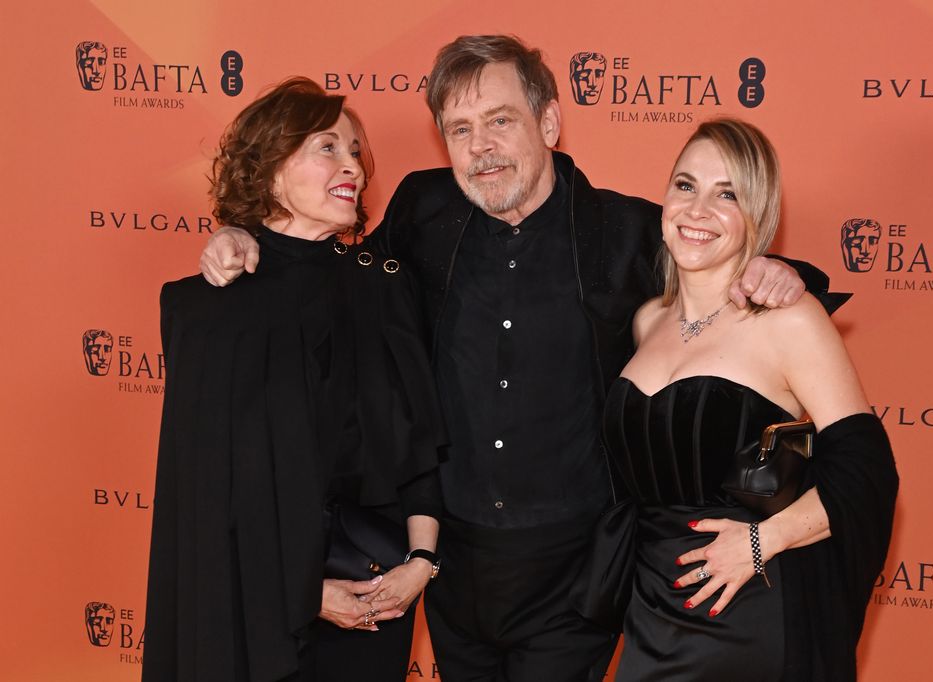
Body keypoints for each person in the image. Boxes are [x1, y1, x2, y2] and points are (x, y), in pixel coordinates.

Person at [198, 36, 834, 681]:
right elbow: (333, 278)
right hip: (451, 563)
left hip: (575, 569)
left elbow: (717, 257)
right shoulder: (423, 210)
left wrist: (775, 270)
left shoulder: (627, 230)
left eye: (500, 120)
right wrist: (240, 235)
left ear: (549, 123)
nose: (481, 147)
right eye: (460, 129)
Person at [142, 77, 445, 682]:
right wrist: (303, 592)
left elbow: (418, 448)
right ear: (270, 168)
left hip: (376, 591)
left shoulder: (385, 284)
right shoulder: (207, 308)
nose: (352, 166)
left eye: (356, 151)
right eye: (327, 147)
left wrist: (421, 563)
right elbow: (209, 496)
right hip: (250, 606)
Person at [604, 118, 898, 680]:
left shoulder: (790, 321)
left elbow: (867, 473)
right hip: (651, 609)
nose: (697, 210)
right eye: (686, 186)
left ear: (757, 217)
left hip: (751, 611)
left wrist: (763, 542)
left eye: (727, 195)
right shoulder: (645, 322)